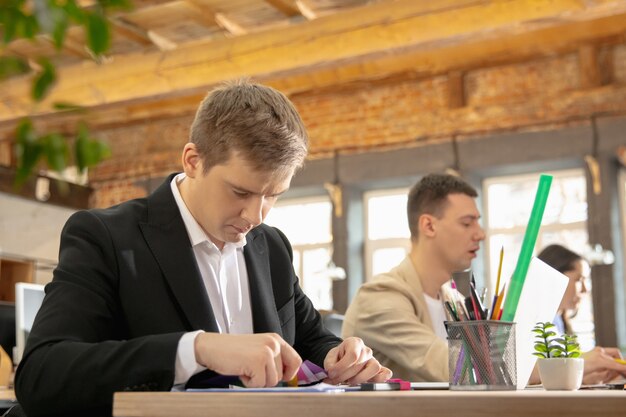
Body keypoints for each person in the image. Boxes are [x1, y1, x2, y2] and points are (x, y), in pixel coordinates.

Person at [15, 80, 391, 417]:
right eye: (240, 192)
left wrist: (338, 356)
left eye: (273, 196)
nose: (256, 215)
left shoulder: (271, 246)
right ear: (193, 161)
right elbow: (42, 376)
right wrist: (195, 350)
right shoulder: (107, 236)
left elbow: (309, 338)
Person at [343, 173, 485, 381]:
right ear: (428, 226)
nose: (480, 234)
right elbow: (455, 367)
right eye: (466, 223)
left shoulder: (453, 299)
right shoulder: (379, 297)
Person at [535, 244, 626, 385]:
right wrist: (581, 361)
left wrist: (589, 379)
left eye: (586, 280)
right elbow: (528, 374)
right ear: (555, 275)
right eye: (579, 279)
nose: (585, 289)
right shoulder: (533, 322)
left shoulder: (560, 321)